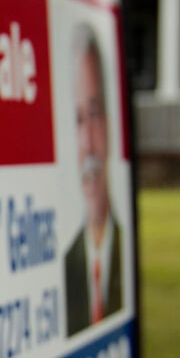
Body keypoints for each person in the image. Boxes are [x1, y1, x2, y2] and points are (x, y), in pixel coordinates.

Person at [63, 29, 123, 336]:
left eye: (95, 115)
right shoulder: (66, 267)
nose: (87, 144)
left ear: (111, 123)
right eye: (78, 120)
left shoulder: (125, 256)